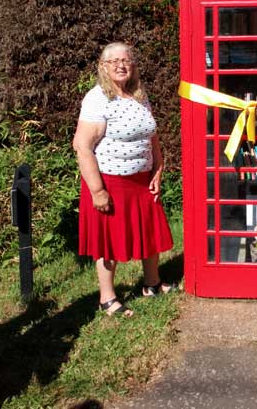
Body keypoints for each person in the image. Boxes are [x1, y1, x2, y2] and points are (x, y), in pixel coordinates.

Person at [73, 42, 174, 316]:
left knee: (150, 231)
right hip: (110, 181)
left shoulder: (139, 95)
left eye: (126, 60)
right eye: (114, 61)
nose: (121, 65)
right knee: (108, 242)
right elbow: (82, 146)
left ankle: (152, 283)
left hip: (142, 179)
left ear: (133, 65)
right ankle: (107, 298)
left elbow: (151, 134)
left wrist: (158, 167)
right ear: (103, 67)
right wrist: (97, 190)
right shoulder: (97, 98)